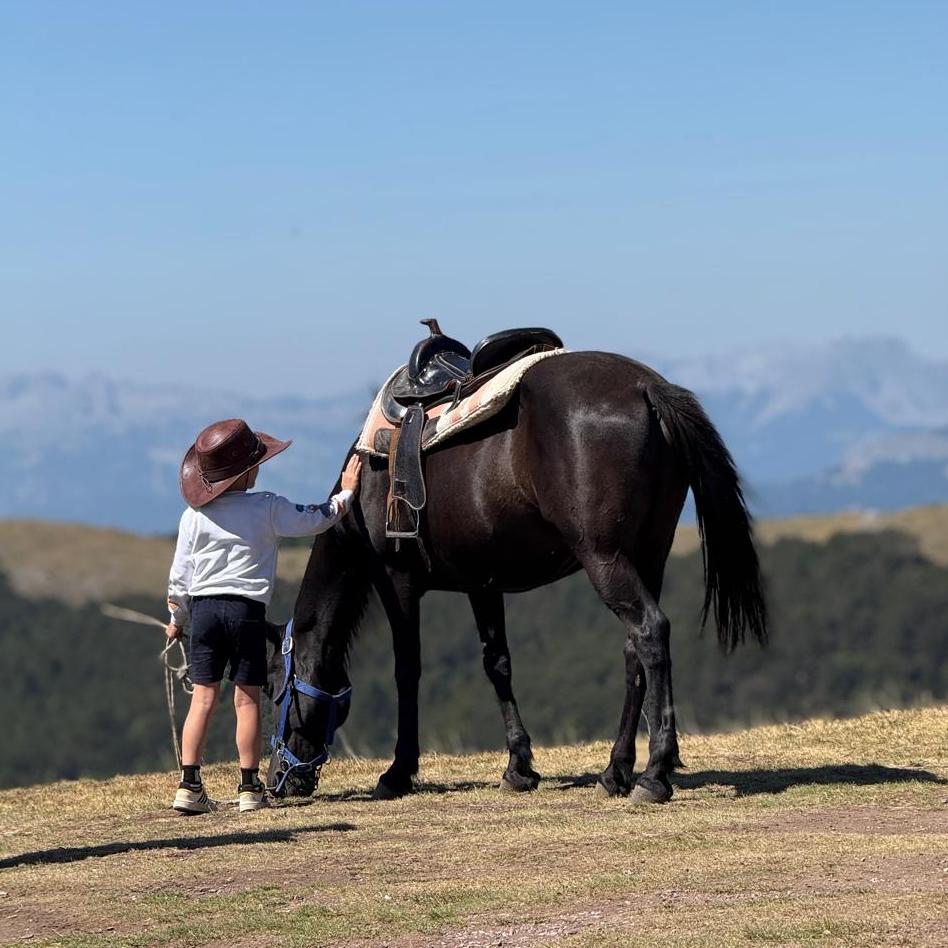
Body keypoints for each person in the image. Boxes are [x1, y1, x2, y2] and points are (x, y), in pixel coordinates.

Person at [165, 418, 362, 814]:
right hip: (246, 611)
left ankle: (189, 785)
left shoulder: (193, 517)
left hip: (203, 612)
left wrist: (176, 617)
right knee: (246, 700)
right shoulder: (267, 507)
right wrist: (347, 493)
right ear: (246, 472)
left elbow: (180, 576)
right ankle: (249, 788)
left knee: (203, 699)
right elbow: (317, 518)